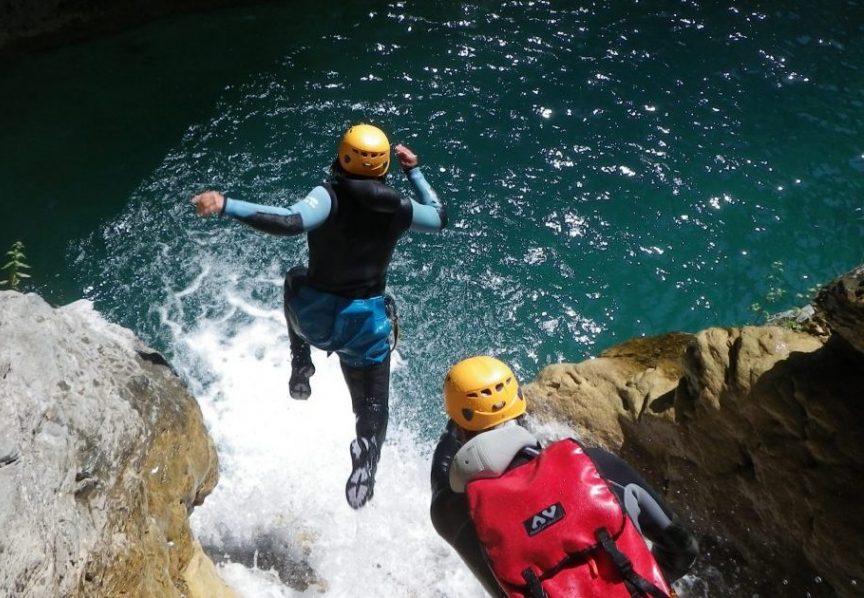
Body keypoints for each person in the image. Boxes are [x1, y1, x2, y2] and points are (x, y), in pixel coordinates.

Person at [192, 123, 447, 509]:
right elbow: (440, 216)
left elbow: (288, 221)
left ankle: (301, 362)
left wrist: (228, 204)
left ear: (343, 156)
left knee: (294, 278)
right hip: (366, 326)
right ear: (382, 168)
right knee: (372, 407)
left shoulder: (328, 196)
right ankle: (367, 456)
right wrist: (414, 171)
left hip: (313, 317)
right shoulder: (399, 205)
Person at [430, 356, 699, 597]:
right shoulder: (596, 464)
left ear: (459, 430)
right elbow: (683, 549)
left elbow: (441, 475)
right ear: (521, 405)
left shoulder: (454, 514)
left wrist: (456, 417)